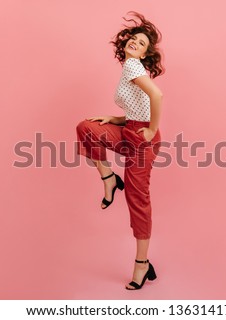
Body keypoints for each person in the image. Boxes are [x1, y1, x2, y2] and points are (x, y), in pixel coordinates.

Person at [76, 11, 165, 290]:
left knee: (138, 201)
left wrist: (150, 130)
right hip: (129, 130)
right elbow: (138, 104)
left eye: (142, 43)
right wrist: (115, 119)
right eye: (134, 39)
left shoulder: (134, 67)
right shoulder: (129, 67)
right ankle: (109, 179)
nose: (136, 44)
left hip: (142, 141)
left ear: (146, 53)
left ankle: (142, 264)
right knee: (86, 128)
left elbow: (157, 96)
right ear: (125, 41)